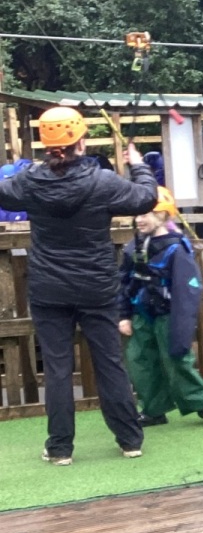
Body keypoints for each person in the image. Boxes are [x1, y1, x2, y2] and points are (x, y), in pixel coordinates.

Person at [0, 106, 158, 464]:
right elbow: (146, 197)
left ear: (45, 145)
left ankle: (60, 448)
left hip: (48, 288)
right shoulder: (102, 181)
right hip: (95, 287)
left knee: (57, 369)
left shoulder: (29, 182)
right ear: (81, 143)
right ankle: (130, 440)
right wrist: (138, 165)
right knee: (109, 363)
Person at [118, 196, 203, 429]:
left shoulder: (176, 248)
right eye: (137, 215)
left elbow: (187, 288)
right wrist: (124, 315)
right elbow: (124, 282)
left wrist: (182, 322)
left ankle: (202, 404)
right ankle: (154, 410)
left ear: (163, 215)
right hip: (141, 313)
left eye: (145, 214)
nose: (139, 220)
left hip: (168, 314)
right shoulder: (134, 247)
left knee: (177, 359)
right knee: (141, 361)